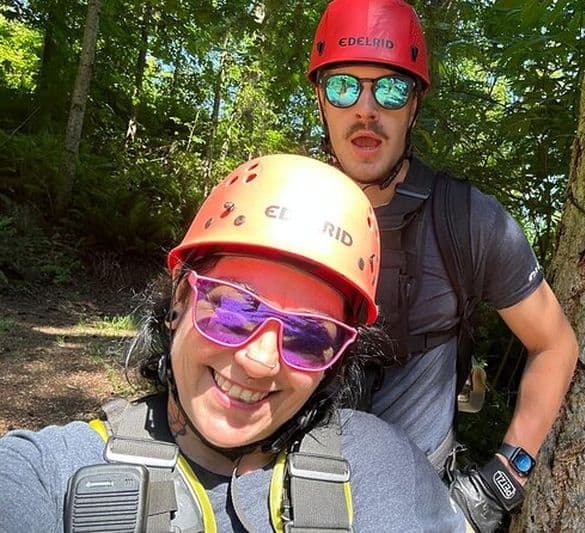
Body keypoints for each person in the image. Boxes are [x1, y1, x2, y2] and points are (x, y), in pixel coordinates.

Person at [0, 154, 467, 532]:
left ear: (334, 362)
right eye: (235, 310)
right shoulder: (43, 474)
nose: (260, 361)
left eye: (308, 336)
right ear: (180, 301)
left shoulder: (382, 465)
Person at [305, 1, 580, 530]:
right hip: (291, 495)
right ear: (320, 98)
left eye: (391, 89)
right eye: (343, 86)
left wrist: (505, 479)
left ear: (414, 105)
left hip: (420, 507)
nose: (366, 109)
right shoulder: (284, 209)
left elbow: (555, 344)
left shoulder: (466, 220)